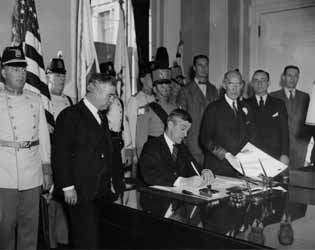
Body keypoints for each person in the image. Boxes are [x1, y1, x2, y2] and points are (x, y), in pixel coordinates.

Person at [52, 73, 116, 248]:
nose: (112, 100)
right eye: (109, 95)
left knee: (96, 238)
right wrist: (67, 187)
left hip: (98, 190)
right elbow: (61, 154)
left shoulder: (100, 116)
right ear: (92, 88)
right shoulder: (70, 115)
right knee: (84, 239)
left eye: (113, 95)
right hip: (79, 190)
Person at [0, 45, 52, 250]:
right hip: (4, 175)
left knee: (29, 229)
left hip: (32, 173)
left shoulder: (35, 99)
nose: (20, 73)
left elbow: (43, 138)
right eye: (14, 69)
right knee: (5, 229)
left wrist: (46, 169)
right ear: (3, 72)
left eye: (22, 68)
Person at [138, 109, 214, 216]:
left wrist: (204, 171)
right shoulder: (152, 146)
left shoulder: (182, 148)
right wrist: (182, 181)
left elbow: (194, 167)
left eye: (187, 131)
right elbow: (150, 176)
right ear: (170, 125)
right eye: (183, 129)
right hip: (156, 205)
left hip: (179, 205)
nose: (186, 134)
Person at [200, 70, 255, 177]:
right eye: (231, 84)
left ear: (242, 85)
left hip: (241, 169)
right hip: (219, 166)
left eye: (238, 84)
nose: (234, 88)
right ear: (225, 85)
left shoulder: (246, 107)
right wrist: (224, 154)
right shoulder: (213, 108)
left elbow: (252, 135)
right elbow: (204, 138)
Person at [46, 52, 72, 248]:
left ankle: (63, 241)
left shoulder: (69, 101)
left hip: (67, 156)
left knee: (65, 200)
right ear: (48, 77)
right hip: (49, 154)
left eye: (63, 76)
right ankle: (50, 242)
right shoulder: (43, 101)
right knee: (50, 202)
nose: (61, 79)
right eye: (57, 76)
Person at [176, 54, 218, 165]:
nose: (204, 68)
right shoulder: (185, 90)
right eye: (200, 65)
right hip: (193, 141)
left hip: (211, 144)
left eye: (206, 65)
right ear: (194, 68)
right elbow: (181, 119)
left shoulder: (214, 90)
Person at [271, 65, 311, 169]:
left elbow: (309, 122)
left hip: (300, 146)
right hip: (280, 146)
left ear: (298, 78)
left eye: (295, 76)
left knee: (298, 178)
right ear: (283, 77)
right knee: (280, 177)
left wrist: (307, 142)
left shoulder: (305, 97)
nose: (292, 79)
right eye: (289, 75)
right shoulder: (273, 96)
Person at [246, 70, 289, 165]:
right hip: (251, 156)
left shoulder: (279, 104)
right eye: (256, 80)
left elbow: (284, 131)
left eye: (263, 80)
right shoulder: (244, 104)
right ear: (252, 83)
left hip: (274, 154)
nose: (259, 83)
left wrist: (285, 154)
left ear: (268, 83)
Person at [136, 67, 177, 157]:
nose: (165, 88)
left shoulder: (175, 108)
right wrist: (142, 159)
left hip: (173, 153)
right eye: (161, 86)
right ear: (154, 89)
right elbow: (141, 140)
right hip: (155, 154)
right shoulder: (146, 110)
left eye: (167, 85)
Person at [125, 62, 155, 168]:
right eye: (151, 76)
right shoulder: (135, 99)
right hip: (140, 147)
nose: (154, 78)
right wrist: (132, 149)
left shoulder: (157, 98)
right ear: (142, 79)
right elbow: (131, 126)